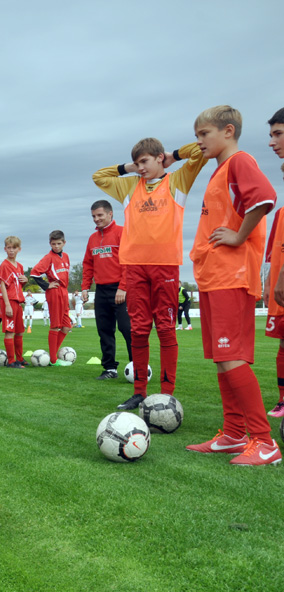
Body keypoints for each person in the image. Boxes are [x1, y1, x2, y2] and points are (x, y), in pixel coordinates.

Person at [185, 105, 279, 466]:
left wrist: (240, 236)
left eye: (204, 135)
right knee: (222, 359)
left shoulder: (239, 161)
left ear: (228, 131)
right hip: (213, 276)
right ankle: (234, 434)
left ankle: (264, 441)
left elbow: (265, 197)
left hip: (232, 276)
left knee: (231, 356)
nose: (199, 142)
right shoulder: (220, 170)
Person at [93, 137, 208, 410]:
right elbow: (98, 176)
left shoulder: (177, 181)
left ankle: (167, 393)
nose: (141, 167)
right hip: (134, 266)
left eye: (145, 161)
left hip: (165, 265)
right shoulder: (130, 186)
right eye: (138, 162)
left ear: (159, 158)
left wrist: (174, 155)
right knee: (139, 330)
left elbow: (200, 152)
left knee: (166, 329)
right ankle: (139, 392)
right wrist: (129, 168)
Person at [81, 200, 132, 380]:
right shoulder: (92, 239)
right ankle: (110, 368)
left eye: (100, 215)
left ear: (110, 214)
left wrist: (123, 288)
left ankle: (137, 367)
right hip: (101, 291)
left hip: (121, 290)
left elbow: (129, 262)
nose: (96, 219)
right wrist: (85, 287)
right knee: (104, 330)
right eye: (94, 216)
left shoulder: (122, 232)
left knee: (128, 330)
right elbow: (88, 264)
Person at [263, 108, 284, 418]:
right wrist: (269, 282)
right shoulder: (279, 214)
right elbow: (270, 256)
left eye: (278, 133)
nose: (271, 142)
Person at [31, 230, 73, 366]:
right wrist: (47, 285)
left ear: (64, 243)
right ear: (50, 243)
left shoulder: (65, 256)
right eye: (53, 244)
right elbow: (34, 273)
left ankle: (52, 354)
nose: (56, 246)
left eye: (59, 243)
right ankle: (54, 360)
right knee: (55, 326)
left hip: (64, 292)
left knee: (66, 326)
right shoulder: (48, 257)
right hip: (55, 292)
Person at [0, 236, 27, 368]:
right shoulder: (4, 265)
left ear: (19, 249)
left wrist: (25, 282)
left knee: (19, 331)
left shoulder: (20, 266)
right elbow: (2, 285)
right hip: (9, 302)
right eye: (9, 248)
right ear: (5, 249)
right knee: (9, 331)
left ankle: (19, 358)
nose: (11, 250)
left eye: (14, 248)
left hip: (18, 301)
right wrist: (7, 304)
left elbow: (18, 285)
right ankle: (11, 361)